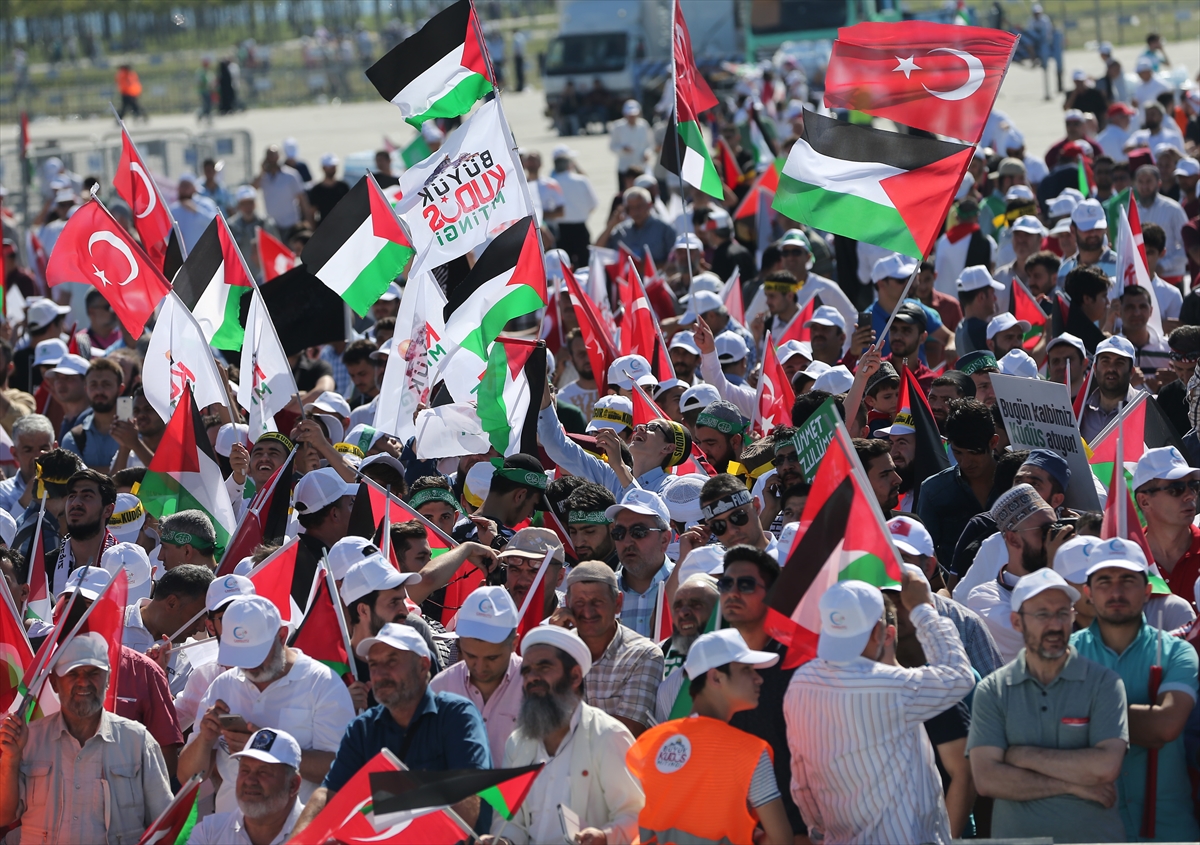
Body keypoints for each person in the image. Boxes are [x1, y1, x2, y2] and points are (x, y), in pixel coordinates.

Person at [785, 572, 974, 844]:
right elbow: (959, 675)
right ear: (879, 631)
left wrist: (819, 830)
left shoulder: (800, 683)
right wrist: (923, 609)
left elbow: (800, 780)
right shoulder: (890, 687)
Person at [967, 569, 1129, 842]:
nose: (1055, 624)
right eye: (1042, 614)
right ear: (1016, 622)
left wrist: (1019, 755)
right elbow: (987, 780)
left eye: (1063, 614)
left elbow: (1105, 767)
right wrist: (1074, 785)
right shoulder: (992, 691)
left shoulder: (1105, 684)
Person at [294, 623, 491, 833]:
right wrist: (299, 839)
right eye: (373, 665)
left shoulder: (457, 716)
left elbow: (468, 796)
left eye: (392, 662)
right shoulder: (362, 729)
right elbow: (328, 794)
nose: (380, 673)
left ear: (423, 666)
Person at [1069, 538, 1200, 842]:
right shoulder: (1065, 656)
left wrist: (1084, 716)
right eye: (1104, 581)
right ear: (1088, 592)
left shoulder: (1177, 652)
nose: (1115, 592)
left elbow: (1165, 727)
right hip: (1091, 831)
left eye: (1128, 580)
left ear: (1147, 590)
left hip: (1169, 831)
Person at [178, 595, 356, 814]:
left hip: (298, 834)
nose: (248, 667)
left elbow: (341, 768)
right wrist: (205, 738)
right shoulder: (222, 685)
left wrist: (267, 747)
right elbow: (188, 777)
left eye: (256, 656)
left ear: (282, 636)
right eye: (240, 656)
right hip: (230, 832)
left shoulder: (323, 684)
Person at [0, 632, 172, 842]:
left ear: (108, 679)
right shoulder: (28, 740)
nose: (83, 682)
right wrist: (10, 758)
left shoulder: (138, 741)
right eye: (73, 674)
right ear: (54, 683)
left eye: (93, 673)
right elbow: (4, 816)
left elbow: (165, 825)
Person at [628, 629, 792, 845]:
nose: (758, 678)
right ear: (715, 677)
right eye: (746, 669)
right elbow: (781, 839)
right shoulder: (749, 752)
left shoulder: (649, 742)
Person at [481, 625, 643, 845]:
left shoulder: (608, 736)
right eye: (527, 671)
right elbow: (509, 820)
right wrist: (503, 841)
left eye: (544, 667)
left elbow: (636, 815)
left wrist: (605, 837)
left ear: (575, 676)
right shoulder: (517, 744)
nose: (532, 678)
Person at [966, 484, 1077, 661]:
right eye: (1044, 531)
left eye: (1055, 527)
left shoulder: (1075, 581)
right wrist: (1052, 569)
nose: (1052, 537)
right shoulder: (984, 599)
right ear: (1013, 539)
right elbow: (1042, 636)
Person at [429, 586, 523, 766]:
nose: (480, 667)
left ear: (514, 644)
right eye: (470, 656)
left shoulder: (535, 687)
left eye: (492, 658)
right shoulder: (440, 688)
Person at [188, 728, 306, 845]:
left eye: (263, 772)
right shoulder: (209, 832)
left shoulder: (320, 833)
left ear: (293, 785)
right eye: (245, 770)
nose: (250, 780)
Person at [918, 399, 999, 563]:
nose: (966, 462)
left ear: (993, 442)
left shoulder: (1017, 482)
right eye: (958, 453)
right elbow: (925, 553)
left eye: (974, 453)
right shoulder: (933, 490)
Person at [121, 561, 213, 696]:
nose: (200, 628)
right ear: (172, 603)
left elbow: (184, 714)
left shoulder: (198, 658)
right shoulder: (106, 625)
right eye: (196, 617)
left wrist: (160, 686)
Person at [1133, 446, 1200, 600]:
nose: (1190, 495)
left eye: (1194, 486)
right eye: (1176, 489)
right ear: (1144, 501)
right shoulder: (1125, 561)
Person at [606, 489, 673, 637]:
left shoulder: (686, 585)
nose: (627, 541)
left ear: (665, 540)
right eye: (619, 533)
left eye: (638, 532)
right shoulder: (604, 589)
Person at [61, 358, 125, 470]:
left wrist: (88, 471)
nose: (99, 391)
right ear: (86, 389)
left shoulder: (136, 435)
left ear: (120, 389)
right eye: (93, 385)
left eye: (106, 384)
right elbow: (72, 478)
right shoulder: (74, 438)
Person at [1132, 164, 1188, 283]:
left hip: (1171, 278)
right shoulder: (1132, 211)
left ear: (1159, 183)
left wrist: (1163, 265)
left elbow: (1186, 246)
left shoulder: (1173, 209)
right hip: (1142, 280)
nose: (1144, 186)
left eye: (1148, 182)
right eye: (1140, 182)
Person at [1079, 336, 1140, 443]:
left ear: (1132, 371)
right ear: (1095, 369)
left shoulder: (1145, 407)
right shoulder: (1080, 411)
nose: (1111, 368)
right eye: (1105, 362)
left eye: (1119, 363)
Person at [601, 187, 676, 267]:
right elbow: (597, 251)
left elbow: (675, 263)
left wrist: (645, 267)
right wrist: (611, 225)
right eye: (631, 208)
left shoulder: (665, 228)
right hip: (628, 279)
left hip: (657, 278)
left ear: (649, 205)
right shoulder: (622, 230)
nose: (635, 212)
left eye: (639, 207)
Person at [549, 146, 598, 268]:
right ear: (569, 165)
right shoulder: (582, 180)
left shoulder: (551, 182)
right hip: (580, 227)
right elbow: (594, 204)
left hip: (561, 229)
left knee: (565, 266)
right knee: (584, 264)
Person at [253, 145, 313, 241]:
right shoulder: (263, 177)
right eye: (269, 155)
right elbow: (252, 188)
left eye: (274, 155)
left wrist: (308, 219)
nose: (272, 158)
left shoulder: (291, 175)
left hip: (291, 223)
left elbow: (302, 198)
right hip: (272, 225)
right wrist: (262, 171)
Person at [0, 413, 54, 518]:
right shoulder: (3, 491)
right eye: (28, 450)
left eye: (44, 448)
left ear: (55, 448)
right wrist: (28, 496)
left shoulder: (71, 481)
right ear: (14, 453)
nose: (37, 456)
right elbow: (5, 532)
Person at [170, 173, 219, 252]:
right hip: (181, 259)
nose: (184, 189)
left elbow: (216, 223)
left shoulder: (206, 204)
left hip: (204, 255)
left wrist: (196, 211)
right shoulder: (173, 210)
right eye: (182, 186)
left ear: (194, 188)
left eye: (187, 186)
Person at [609, 100, 654, 183]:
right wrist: (622, 149)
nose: (632, 117)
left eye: (634, 115)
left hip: (641, 167)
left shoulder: (644, 125)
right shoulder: (618, 127)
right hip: (625, 168)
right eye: (629, 115)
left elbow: (650, 144)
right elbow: (612, 146)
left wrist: (647, 153)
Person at [307, 154, 349, 226]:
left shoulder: (343, 187)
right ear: (323, 168)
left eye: (334, 166)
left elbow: (350, 207)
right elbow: (312, 212)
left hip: (343, 226)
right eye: (329, 166)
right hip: (324, 228)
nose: (332, 169)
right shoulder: (316, 190)